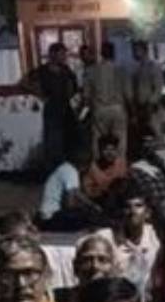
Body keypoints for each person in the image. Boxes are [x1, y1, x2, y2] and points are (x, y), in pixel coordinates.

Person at [95, 180, 159, 296]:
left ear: (148, 212)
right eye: (127, 207)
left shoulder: (156, 236)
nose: (133, 211)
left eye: (138, 206)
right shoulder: (105, 238)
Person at [26, 42, 78, 173]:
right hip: (52, 108)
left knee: (67, 138)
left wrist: (70, 93)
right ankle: (52, 169)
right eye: (62, 54)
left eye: (64, 54)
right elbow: (25, 82)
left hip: (65, 107)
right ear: (53, 54)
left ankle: (65, 167)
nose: (64, 56)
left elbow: (74, 84)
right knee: (53, 139)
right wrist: (39, 94)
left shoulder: (65, 69)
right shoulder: (43, 70)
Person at [83, 41, 132, 160]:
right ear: (114, 53)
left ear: (101, 53)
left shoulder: (91, 70)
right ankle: (119, 164)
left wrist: (90, 107)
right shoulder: (121, 70)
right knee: (120, 138)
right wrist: (132, 110)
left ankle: (98, 163)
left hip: (99, 108)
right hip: (118, 108)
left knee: (98, 138)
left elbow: (86, 95)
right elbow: (128, 94)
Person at [38, 151, 103, 232]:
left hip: (47, 215)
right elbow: (69, 204)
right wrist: (87, 208)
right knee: (88, 218)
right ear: (85, 164)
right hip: (51, 217)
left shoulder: (65, 168)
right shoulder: (71, 172)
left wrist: (92, 205)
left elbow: (77, 193)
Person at [52, 233, 119, 302]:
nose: (95, 266)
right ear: (75, 266)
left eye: (102, 260)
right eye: (87, 260)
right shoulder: (56, 301)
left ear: (113, 267)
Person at [129, 39, 164, 150]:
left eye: (135, 50)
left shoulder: (153, 67)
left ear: (143, 50)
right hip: (139, 108)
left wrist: (151, 102)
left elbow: (158, 87)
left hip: (150, 107)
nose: (133, 53)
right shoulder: (136, 69)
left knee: (156, 132)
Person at [83, 134, 128, 203]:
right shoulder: (93, 167)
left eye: (113, 149)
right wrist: (104, 189)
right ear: (100, 150)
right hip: (100, 202)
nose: (109, 153)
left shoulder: (121, 164)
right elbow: (89, 192)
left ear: (117, 150)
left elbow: (127, 186)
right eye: (105, 149)